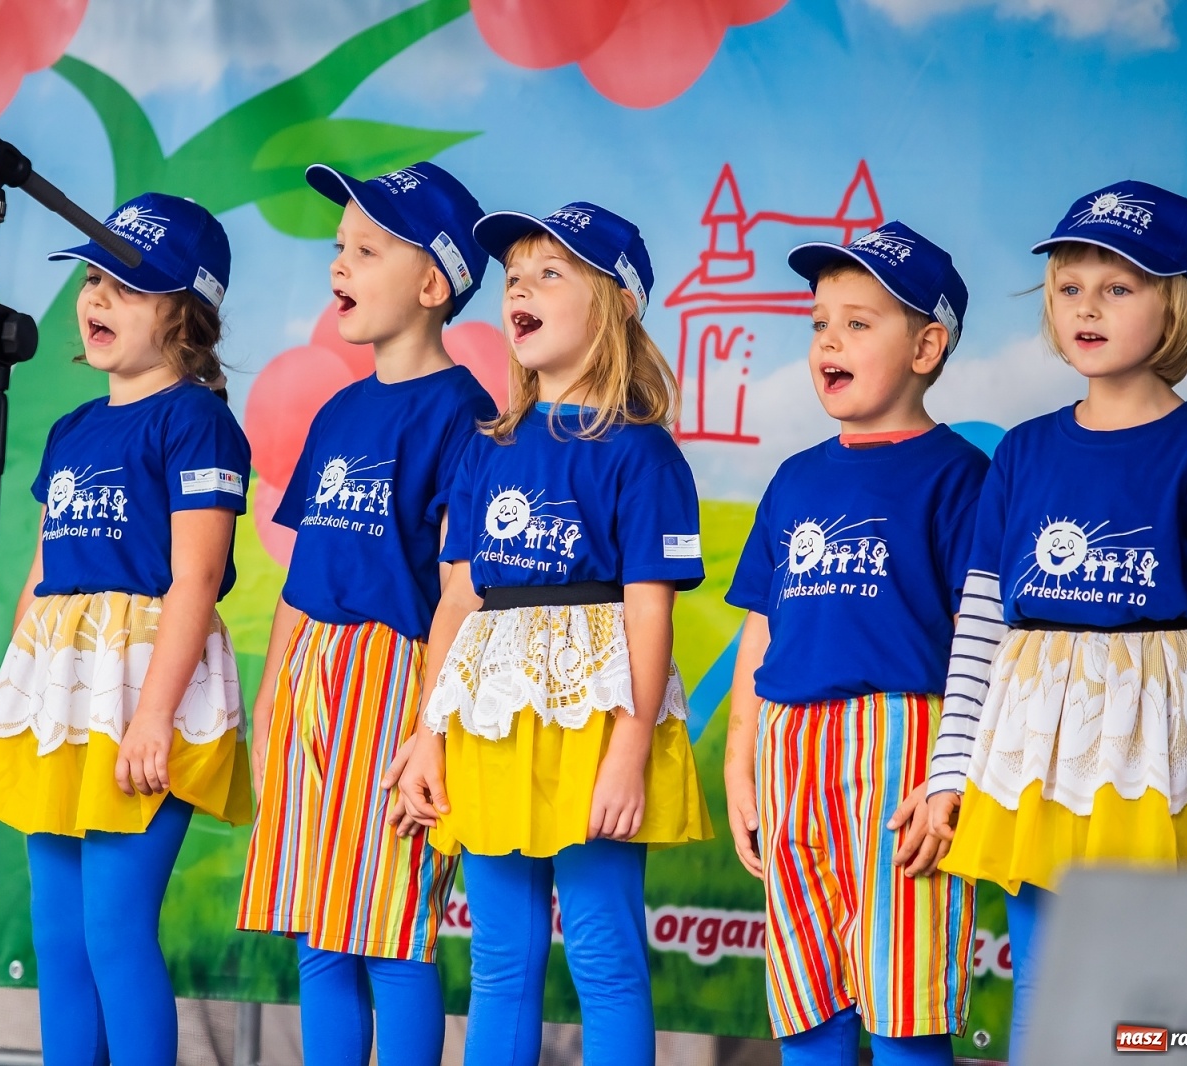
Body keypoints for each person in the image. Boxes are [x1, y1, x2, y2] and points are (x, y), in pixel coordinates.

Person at [924, 181, 1187, 1063]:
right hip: (1034, 756)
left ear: (1175, 305)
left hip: (1155, 757)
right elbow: (978, 632)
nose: (1088, 306)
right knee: (1045, 983)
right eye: (1070, 285)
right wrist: (949, 770)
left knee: (1149, 997)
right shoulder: (1022, 452)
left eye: (1119, 288)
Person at [392, 202, 710, 1066]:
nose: (520, 289)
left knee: (605, 957)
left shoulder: (641, 453)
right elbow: (457, 602)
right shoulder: (487, 444)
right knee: (499, 959)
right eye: (512, 277)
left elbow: (650, 609)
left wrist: (630, 744)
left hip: (595, 722)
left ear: (615, 305)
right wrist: (427, 733)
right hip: (489, 718)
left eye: (549, 273)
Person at [0, 193, 250, 1066]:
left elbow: (197, 579)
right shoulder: (70, 430)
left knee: (113, 931)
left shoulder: (197, 419)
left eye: (126, 285)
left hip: (140, 696)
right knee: (58, 939)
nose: (97, 298)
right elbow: (42, 577)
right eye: (93, 278)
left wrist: (152, 716)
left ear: (187, 314)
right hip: (58, 698)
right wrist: (9, 701)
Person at [236, 162, 496, 1066]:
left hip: (398, 680)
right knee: (319, 931)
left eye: (368, 249)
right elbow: (306, 575)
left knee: (391, 929)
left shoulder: (468, 415)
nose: (340, 265)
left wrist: (432, 721)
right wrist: (272, 700)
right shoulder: (340, 410)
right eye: (339, 249)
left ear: (433, 283)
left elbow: (462, 587)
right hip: (315, 678)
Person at [722, 223, 985, 1065]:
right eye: (818, 323)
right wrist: (740, 760)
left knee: (903, 999)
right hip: (791, 741)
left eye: (859, 322)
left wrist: (952, 776)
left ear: (927, 345)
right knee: (807, 999)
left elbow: (985, 642)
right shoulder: (796, 477)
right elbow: (759, 628)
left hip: (905, 745)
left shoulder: (961, 476)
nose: (830, 340)